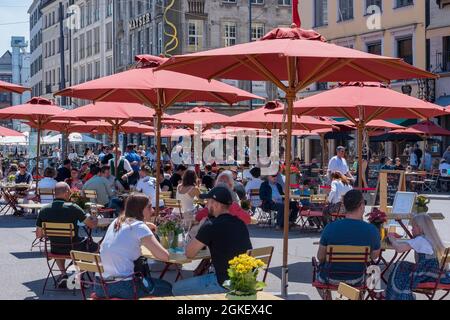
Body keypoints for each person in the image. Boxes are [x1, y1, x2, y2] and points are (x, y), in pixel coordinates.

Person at [172, 186, 252, 296]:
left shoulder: (210, 225)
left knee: (175, 288)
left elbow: (189, 253)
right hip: (243, 282)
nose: (206, 206)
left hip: (223, 284)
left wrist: (200, 228)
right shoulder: (240, 223)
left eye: (208, 202)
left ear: (216, 204)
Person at [96, 193, 172, 299]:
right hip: (124, 287)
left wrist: (145, 225)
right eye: (149, 207)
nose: (153, 210)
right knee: (167, 287)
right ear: (140, 209)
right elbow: (164, 256)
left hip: (101, 287)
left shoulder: (116, 222)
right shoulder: (139, 227)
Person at [35, 182, 98, 288]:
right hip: (74, 248)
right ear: (67, 192)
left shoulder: (44, 210)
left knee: (59, 242)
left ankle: (64, 274)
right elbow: (91, 225)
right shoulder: (73, 207)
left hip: (55, 248)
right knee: (96, 247)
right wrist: (94, 218)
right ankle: (80, 275)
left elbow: (38, 235)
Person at [316, 190, 380, 286]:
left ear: (344, 206)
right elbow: (374, 256)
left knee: (318, 277)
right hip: (356, 279)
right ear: (362, 205)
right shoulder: (372, 230)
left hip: (330, 278)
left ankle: (328, 297)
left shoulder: (330, 227)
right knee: (374, 273)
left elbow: (320, 257)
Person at [386, 214, 449, 300]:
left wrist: (391, 238)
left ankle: (398, 295)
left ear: (420, 227)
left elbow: (399, 249)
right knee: (404, 266)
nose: (411, 229)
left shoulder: (420, 239)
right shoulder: (431, 238)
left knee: (400, 266)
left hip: (426, 274)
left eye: (413, 227)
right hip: (436, 273)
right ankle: (396, 293)